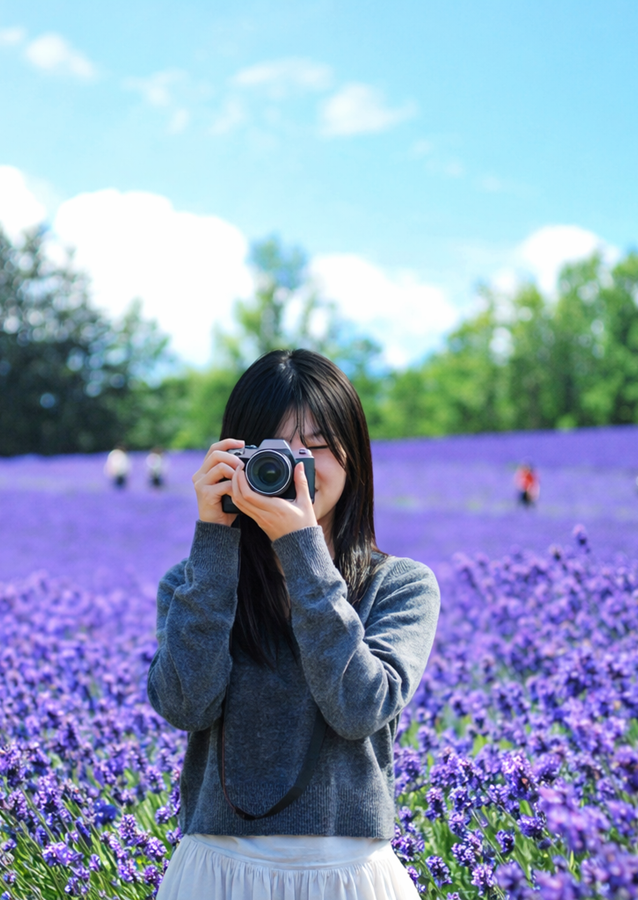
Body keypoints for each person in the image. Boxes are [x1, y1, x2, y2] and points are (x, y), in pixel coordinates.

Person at [148, 349, 440, 899]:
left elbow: (358, 709)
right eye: (274, 451)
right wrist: (213, 541)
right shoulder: (193, 583)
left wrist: (302, 552)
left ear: (354, 456)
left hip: (348, 876)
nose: (295, 467)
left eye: (317, 446)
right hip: (217, 875)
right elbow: (185, 705)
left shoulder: (401, 586)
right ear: (236, 456)